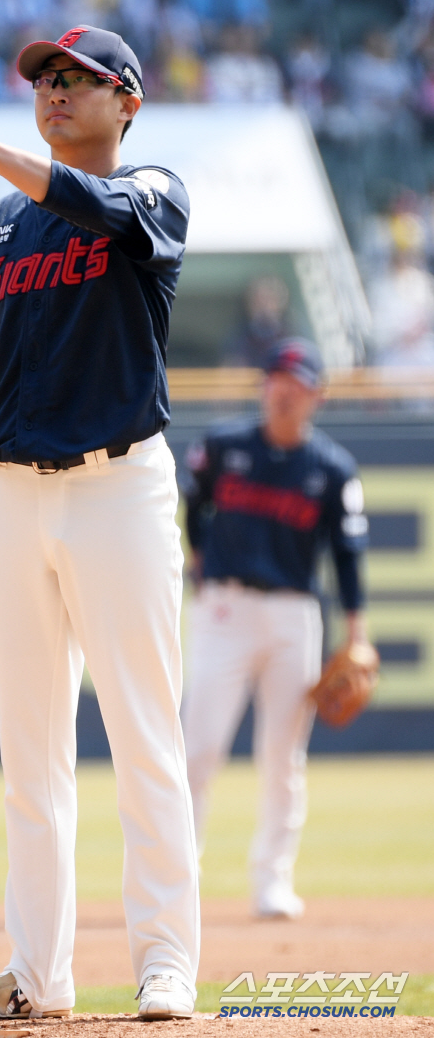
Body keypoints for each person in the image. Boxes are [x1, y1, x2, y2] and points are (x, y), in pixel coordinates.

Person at [0, 25, 200, 1021]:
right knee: (31, 753)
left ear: (128, 102)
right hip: (11, 499)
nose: (57, 91)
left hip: (120, 490)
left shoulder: (151, 189)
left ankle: (165, 962)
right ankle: (37, 974)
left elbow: (93, 205)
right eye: (45, 80)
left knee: (145, 738)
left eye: (79, 80)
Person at [182, 339, 369, 920]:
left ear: (316, 394)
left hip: (294, 616)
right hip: (225, 609)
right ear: (265, 386)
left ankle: (272, 882)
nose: (284, 391)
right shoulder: (224, 445)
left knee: (283, 756)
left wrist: (356, 634)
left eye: (297, 382)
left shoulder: (333, 468)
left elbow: (347, 555)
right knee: (198, 749)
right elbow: (194, 507)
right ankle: (177, 878)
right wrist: (196, 563)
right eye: (276, 379)